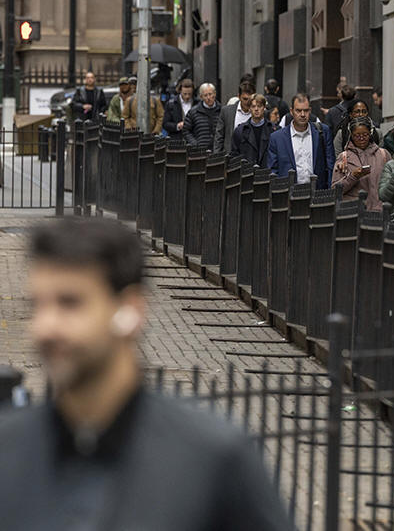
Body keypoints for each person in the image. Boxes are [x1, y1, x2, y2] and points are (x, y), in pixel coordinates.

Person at [0, 217, 292, 529]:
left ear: (131, 310)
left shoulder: (213, 459)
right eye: (37, 306)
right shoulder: (9, 450)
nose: (45, 327)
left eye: (70, 303)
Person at [267, 93, 335, 189]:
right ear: (291, 111)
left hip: (318, 192)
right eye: (298, 111)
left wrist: (330, 190)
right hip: (289, 193)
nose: (302, 114)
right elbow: (273, 171)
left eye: (306, 110)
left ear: (310, 110)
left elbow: (330, 165)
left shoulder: (323, 132)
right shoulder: (277, 138)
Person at [332, 116, 390, 211]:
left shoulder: (383, 154)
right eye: (357, 136)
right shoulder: (343, 158)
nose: (361, 138)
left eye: (365, 135)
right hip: (354, 212)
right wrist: (353, 176)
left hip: (380, 211)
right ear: (351, 135)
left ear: (370, 133)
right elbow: (335, 190)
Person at [231, 94, 271, 167]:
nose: (256, 109)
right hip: (247, 171)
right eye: (253, 106)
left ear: (264, 108)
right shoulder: (240, 131)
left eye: (259, 106)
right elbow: (234, 156)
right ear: (249, 108)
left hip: (267, 171)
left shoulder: (273, 130)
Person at [214, 81, 255, 153]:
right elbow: (219, 136)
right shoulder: (227, 111)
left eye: (250, 99)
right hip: (231, 155)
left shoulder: (259, 113)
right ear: (239, 96)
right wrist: (217, 155)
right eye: (245, 99)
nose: (248, 102)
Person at [182, 83, 221, 151]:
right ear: (201, 97)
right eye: (205, 95)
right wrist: (195, 144)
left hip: (217, 150)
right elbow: (186, 131)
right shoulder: (193, 112)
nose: (208, 98)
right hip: (199, 151)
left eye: (210, 94)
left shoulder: (222, 111)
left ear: (215, 94)